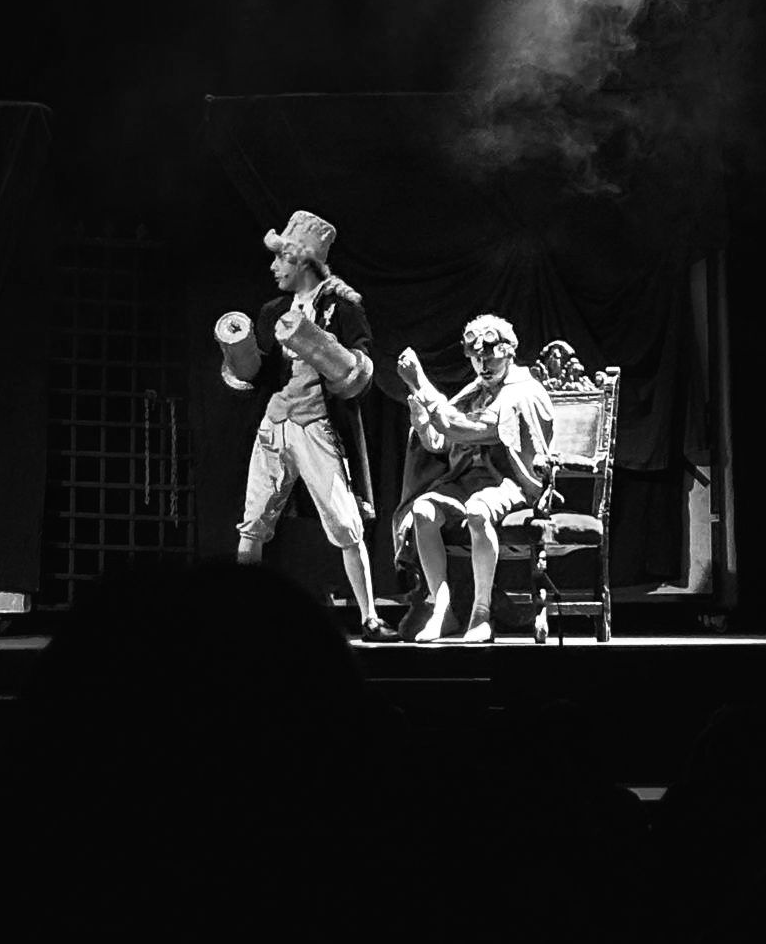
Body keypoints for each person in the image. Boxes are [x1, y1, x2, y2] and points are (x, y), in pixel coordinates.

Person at [218, 209, 398, 641]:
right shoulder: (272, 311)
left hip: (317, 423)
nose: (273, 267)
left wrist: (321, 346)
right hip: (275, 423)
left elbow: (358, 366)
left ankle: (369, 617)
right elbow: (260, 373)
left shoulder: (342, 308)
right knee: (253, 521)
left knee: (346, 524)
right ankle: (243, 614)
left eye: (281, 258)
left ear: (301, 261)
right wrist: (238, 353)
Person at [394, 313, 554, 642]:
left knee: (478, 511)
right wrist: (422, 423)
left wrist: (422, 384)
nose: (483, 366)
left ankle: (481, 614)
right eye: (476, 358)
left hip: (511, 483)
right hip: (467, 481)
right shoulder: (477, 390)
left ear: (508, 352)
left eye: (490, 357)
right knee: (423, 511)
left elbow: (470, 428)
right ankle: (442, 609)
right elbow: (441, 441)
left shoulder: (522, 392)